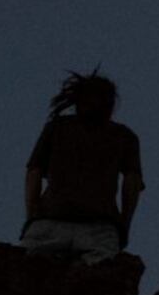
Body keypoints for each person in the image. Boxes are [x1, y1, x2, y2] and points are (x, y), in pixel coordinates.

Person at [20, 68, 144, 264]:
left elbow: (33, 173)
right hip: (100, 226)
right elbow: (132, 182)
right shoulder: (124, 136)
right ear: (110, 105)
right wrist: (124, 223)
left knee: (28, 283)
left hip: (49, 221)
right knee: (97, 288)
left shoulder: (57, 127)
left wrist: (32, 215)